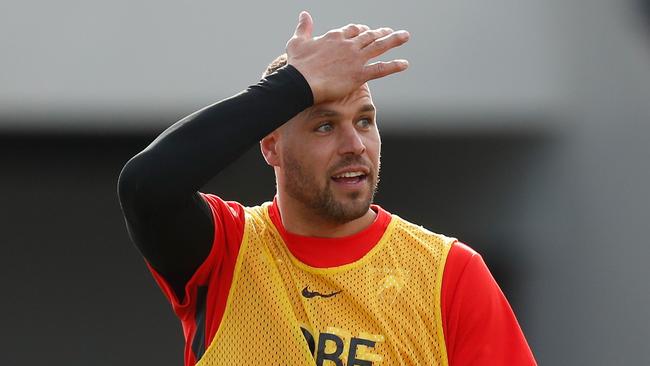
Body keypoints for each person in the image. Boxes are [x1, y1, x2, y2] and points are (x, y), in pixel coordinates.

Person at [117, 11, 536, 366]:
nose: (354, 145)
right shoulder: (227, 248)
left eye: (365, 121)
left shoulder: (450, 274)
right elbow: (147, 186)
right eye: (324, 125)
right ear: (271, 146)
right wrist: (292, 87)